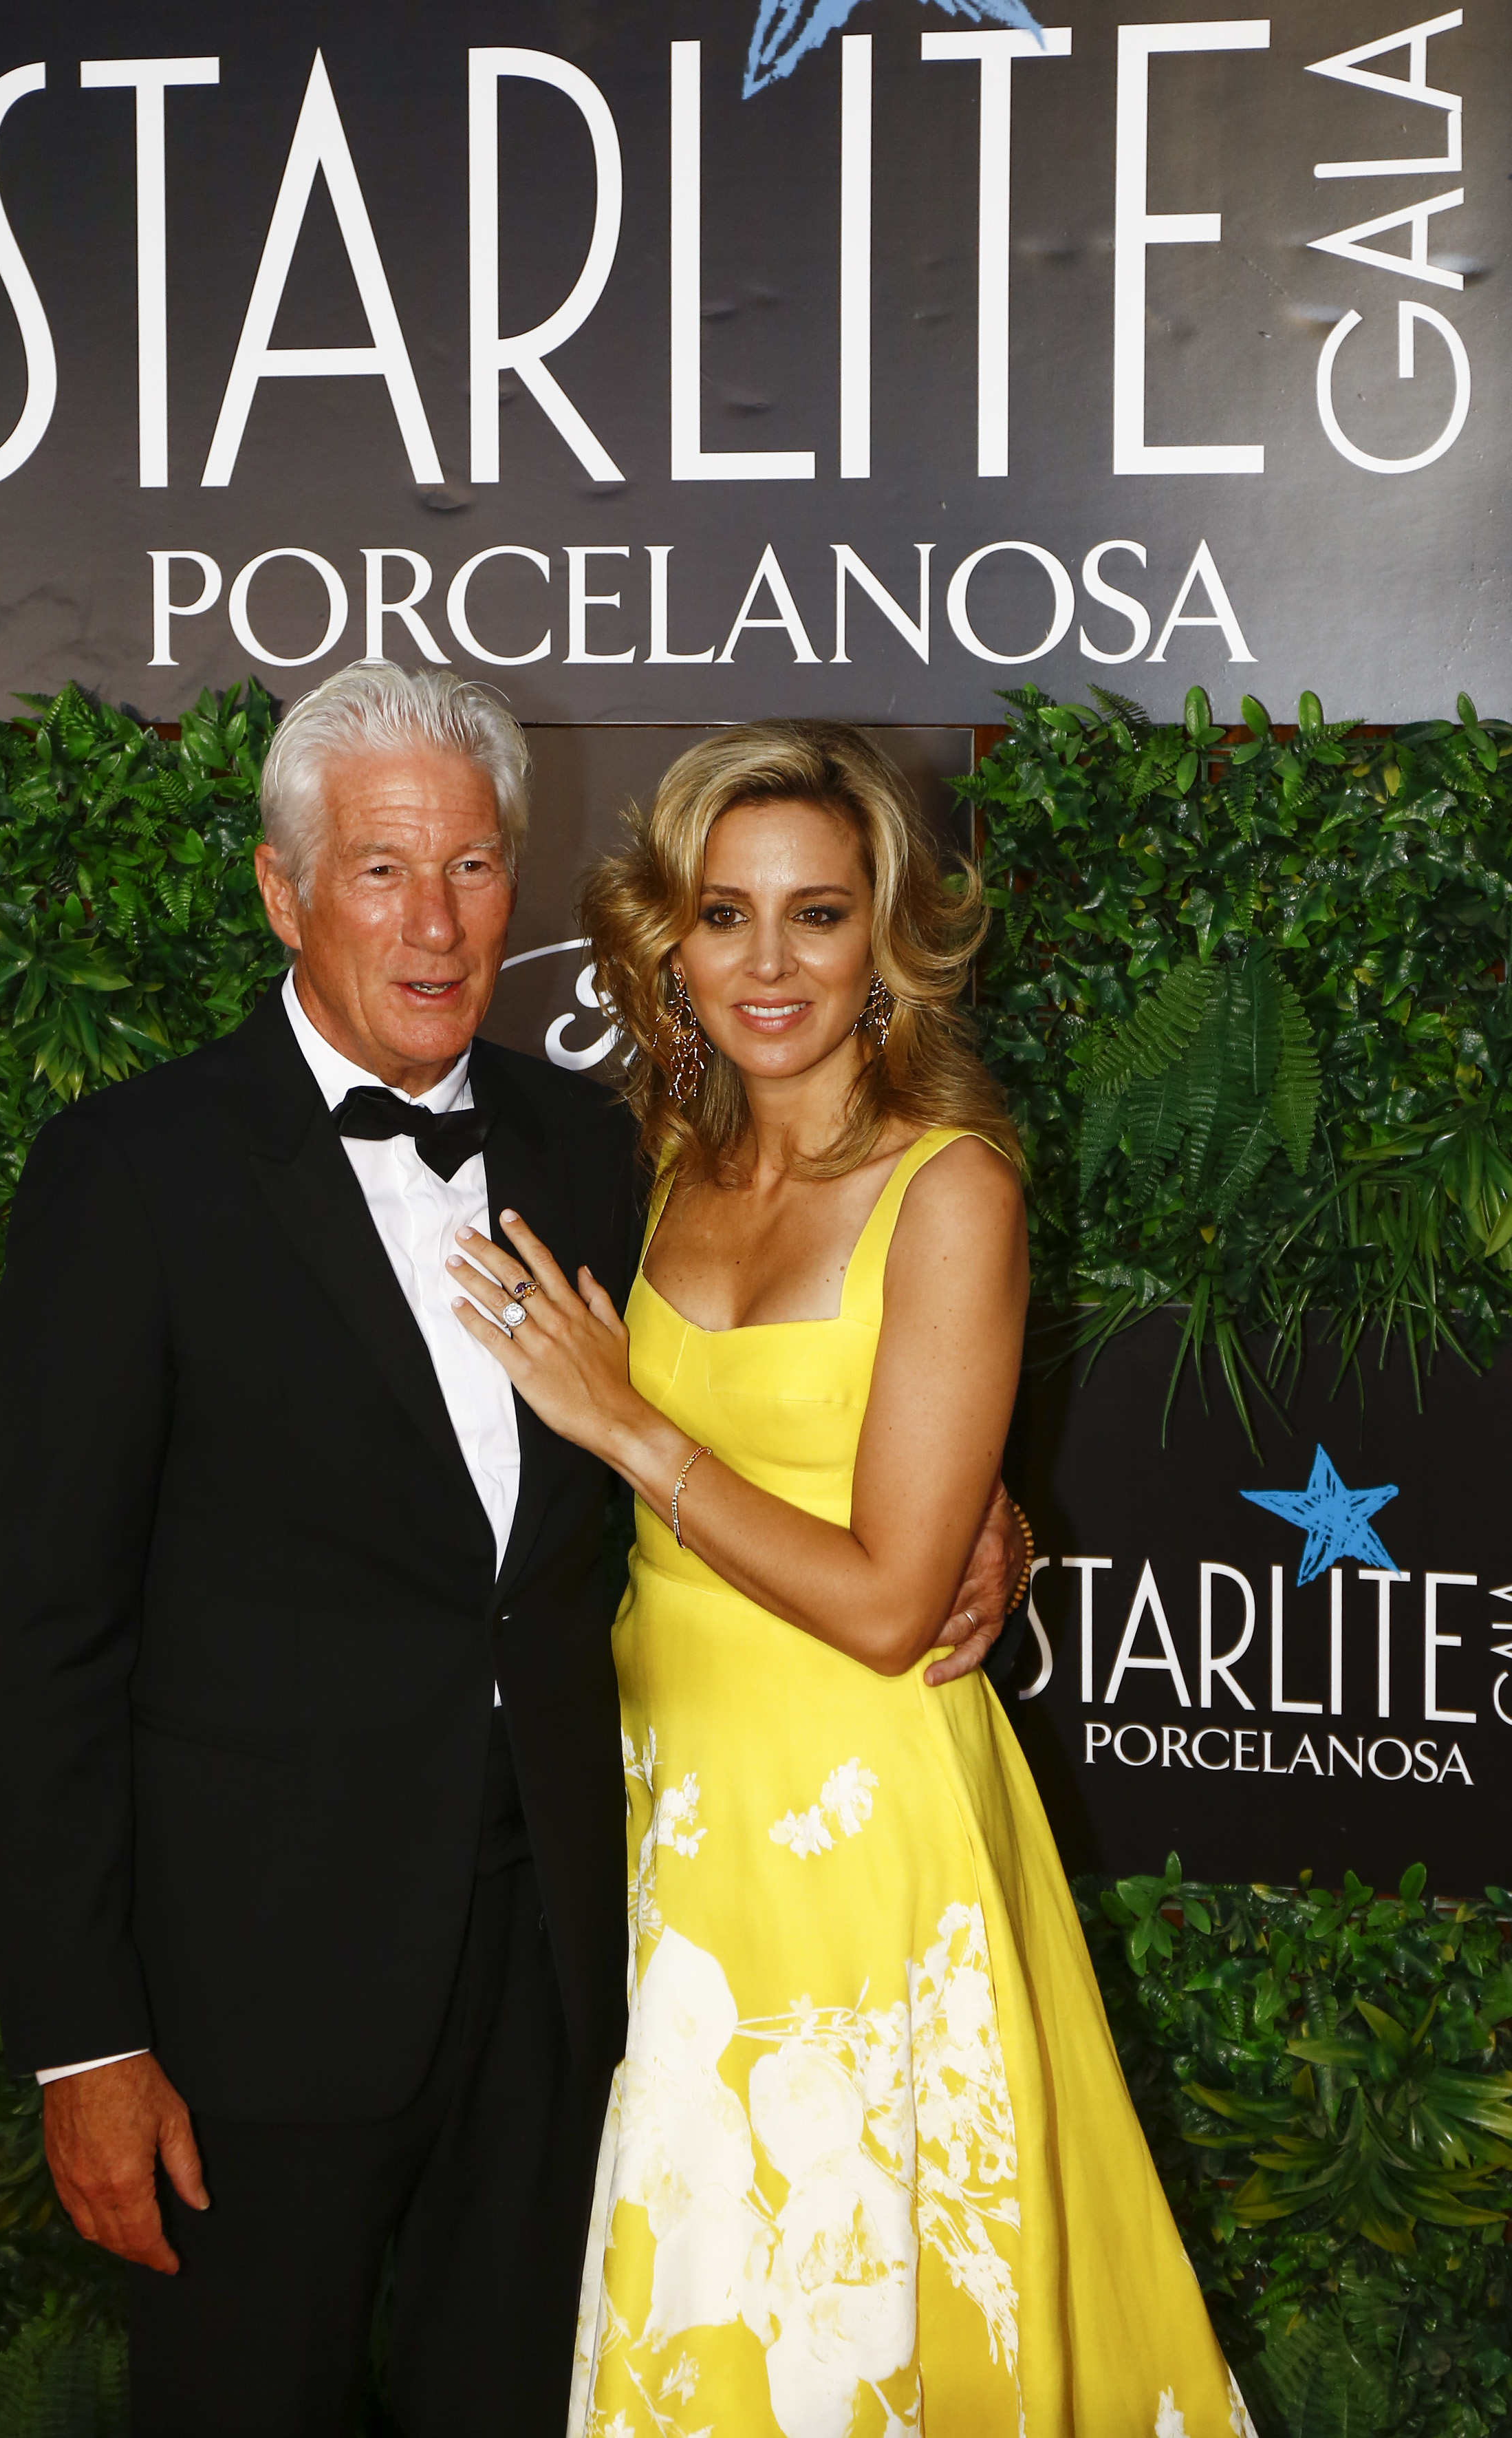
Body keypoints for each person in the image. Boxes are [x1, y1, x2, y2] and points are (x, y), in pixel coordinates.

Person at [0, 664, 1026, 2438]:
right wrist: (86, 2038)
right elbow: (54, 1638)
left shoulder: (607, 1149)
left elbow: (799, 1391)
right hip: (253, 2006)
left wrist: (991, 1522)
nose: (436, 918)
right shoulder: (126, 1172)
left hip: (572, 1974)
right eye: (382, 868)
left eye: (471, 867)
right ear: (280, 887)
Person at [444, 721, 1256, 2437]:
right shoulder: (647, 1174)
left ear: (886, 939)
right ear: (668, 939)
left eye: (815, 914)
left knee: (866, 2301)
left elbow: (894, 1602)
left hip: (866, 1823)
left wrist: (636, 1430)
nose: (765, 962)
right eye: (723, 914)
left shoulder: (948, 1187)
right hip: (664, 1827)